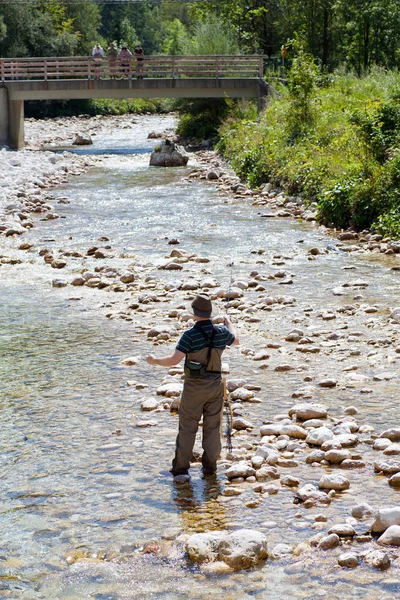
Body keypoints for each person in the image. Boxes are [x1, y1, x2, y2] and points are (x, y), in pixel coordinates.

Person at [146, 293, 239, 483]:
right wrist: (229, 322)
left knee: (188, 427)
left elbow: (173, 360)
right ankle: (210, 469)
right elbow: (236, 340)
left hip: (194, 387)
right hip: (215, 385)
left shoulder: (189, 335)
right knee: (213, 428)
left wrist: (154, 361)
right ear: (211, 313)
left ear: (195, 315)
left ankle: (181, 470)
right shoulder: (222, 332)